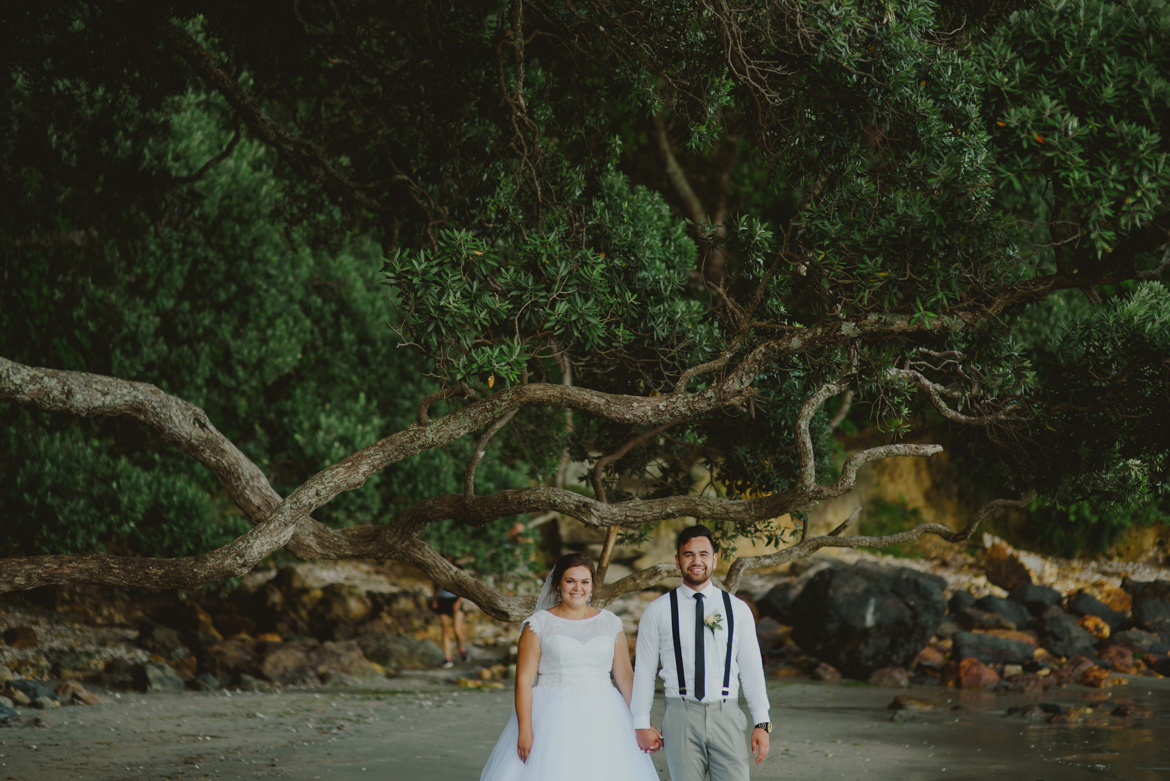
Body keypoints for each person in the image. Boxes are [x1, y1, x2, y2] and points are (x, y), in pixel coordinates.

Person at [480, 553, 660, 781]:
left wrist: (643, 723)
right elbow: (523, 681)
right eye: (570, 581)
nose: (578, 588)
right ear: (557, 585)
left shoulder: (610, 622)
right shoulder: (538, 624)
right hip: (552, 718)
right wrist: (525, 730)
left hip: (605, 717)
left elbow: (625, 677)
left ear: (592, 585)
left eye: (585, 581)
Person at [631, 525, 771, 781]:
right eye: (688, 554)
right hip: (680, 716)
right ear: (677, 560)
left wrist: (762, 722)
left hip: (726, 715)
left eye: (703, 554)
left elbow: (751, 669)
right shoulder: (658, 611)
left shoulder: (737, 609)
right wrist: (640, 722)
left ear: (714, 559)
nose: (696, 561)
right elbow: (644, 671)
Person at [432, 578, 468, 669]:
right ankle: (447, 658)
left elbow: (462, 587)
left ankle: (461, 649)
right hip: (442, 600)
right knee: (445, 629)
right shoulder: (437, 568)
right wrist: (435, 599)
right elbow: (435, 586)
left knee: (456, 630)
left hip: (455, 599)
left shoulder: (457, 567)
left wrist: (458, 602)